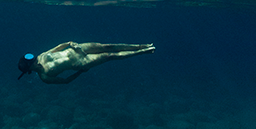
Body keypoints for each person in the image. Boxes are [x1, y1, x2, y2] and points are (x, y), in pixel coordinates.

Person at [17, 41, 155, 84]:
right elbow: (65, 81)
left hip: (77, 49)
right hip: (80, 63)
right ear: (30, 67)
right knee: (110, 56)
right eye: (30, 60)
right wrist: (80, 72)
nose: (33, 58)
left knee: (107, 46)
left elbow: (59, 47)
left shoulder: (41, 56)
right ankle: (142, 52)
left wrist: (71, 43)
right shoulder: (45, 77)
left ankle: (140, 46)